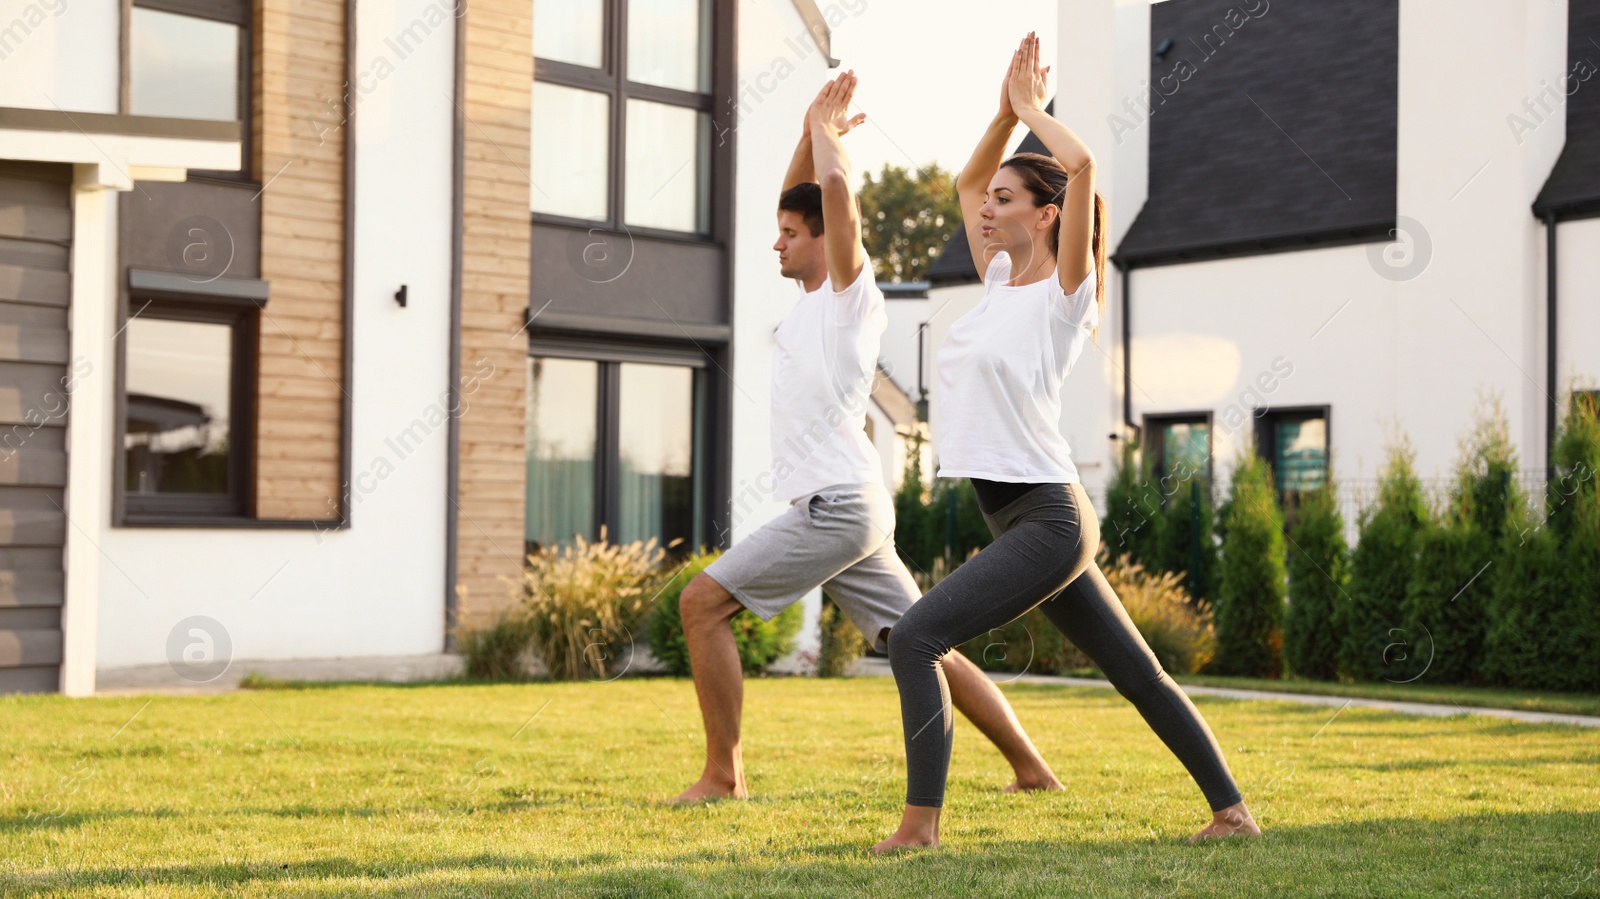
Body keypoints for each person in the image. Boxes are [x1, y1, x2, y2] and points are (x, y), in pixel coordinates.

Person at [873, 34, 1261, 851]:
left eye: (1007, 201)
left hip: (1047, 517)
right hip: (1020, 520)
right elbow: (965, 181)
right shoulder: (999, 281)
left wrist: (1032, 116)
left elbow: (1081, 171)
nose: (988, 209)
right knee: (1136, 670)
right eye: (992, 204)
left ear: (1046, 216)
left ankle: (919, 828)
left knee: (916, 636)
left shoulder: (1064, 293)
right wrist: (1002, 112)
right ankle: (1233, 811)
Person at [672, 72, 1061, 804]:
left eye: (790, 235)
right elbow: (809, 198)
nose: (777, 244)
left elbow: (837, 203)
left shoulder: (851, 295)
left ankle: (724, 775)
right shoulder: (810, 297)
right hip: (851, 505)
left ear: (823, 242)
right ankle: (1032, 767)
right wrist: (809, 129)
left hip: (837, 505)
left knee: (702, 603)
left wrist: (829, 142)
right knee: (924, 641)